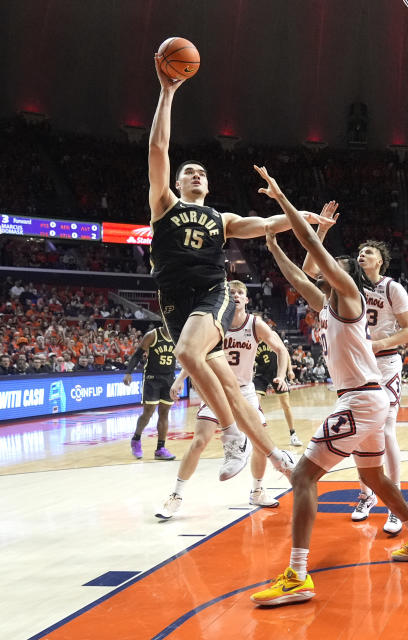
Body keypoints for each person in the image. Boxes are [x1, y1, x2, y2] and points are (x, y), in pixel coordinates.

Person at [250, 167, 408, 606]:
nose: (320, 272)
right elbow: (298, 279)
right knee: (372, 475)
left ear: (340, 274)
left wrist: (284, 203)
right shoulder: (329, 306)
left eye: (329, 269)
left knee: (302, 476)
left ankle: (297, 575)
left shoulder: (350, 296)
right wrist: (275, 243)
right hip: (366, 400)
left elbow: (315, 250)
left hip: (359, 400)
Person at [147, 53, 308, 482]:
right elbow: (159, 148)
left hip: (210, 294)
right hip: (173, 301)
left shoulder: (222, 219)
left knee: (186, 354)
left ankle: (233, 438)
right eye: (189, 172)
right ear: (177, 184)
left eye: (201, 172)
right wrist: (167, 93)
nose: (196, 174)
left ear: (208, 184)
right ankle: (276, 457)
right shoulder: (163, 205)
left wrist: (303, 215)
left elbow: (270, 222)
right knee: (228, 387)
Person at [156, 281, 293, 519]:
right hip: (215, 390)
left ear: (247, 300)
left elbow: (281, 349)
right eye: (232, 293)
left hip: (243, 391)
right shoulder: (214, 323)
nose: (236, 295)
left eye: (241, 293)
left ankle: (258, 490)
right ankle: (175, 496)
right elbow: (196, 354)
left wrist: (281, 375)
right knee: (199, 441)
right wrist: (180, 380)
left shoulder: (255, 324)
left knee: (261, 440)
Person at [347, 239, 408, 535]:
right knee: (358, 432)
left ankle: (394, 500)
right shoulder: (349, 285)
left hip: (386, 363)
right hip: (357, 365)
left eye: (369, 252)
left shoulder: (392, 288)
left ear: (380, 261)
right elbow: (312, 271)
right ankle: (367, 495)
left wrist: (378, 344)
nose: (362, 254)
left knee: (386, 429)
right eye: (360, 251)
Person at [123, 326, 177, 461]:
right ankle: (136, 439)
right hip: (152, 378)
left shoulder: (179, 334)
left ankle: (160, 449)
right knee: (148, 413)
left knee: (164, 413)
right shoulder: (152, 335)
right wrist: (128, 372)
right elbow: (137, 355)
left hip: (169, 379)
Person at [253, 339, 302, 447]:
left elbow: (284, 352)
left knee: (286, 405)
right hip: (261, 374)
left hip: (277, 373)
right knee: (254, 404)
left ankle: (293, 434)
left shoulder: (271, 335)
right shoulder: (250, 338)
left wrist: (289, 370)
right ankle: (254, 436)